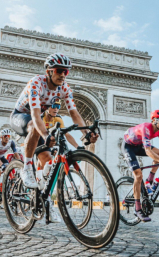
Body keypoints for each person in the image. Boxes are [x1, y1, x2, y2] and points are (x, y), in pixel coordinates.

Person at [9, 53, 98, 223]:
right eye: (59, 71)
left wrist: (86, 134)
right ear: (49, 71)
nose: (63, 74)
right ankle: (26, 167)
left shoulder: (64, 88)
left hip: (37, 122)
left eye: (66, 72)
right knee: (35, 126)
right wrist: (45, 135)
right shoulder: (37, 83)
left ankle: (45, 198)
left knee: (49, 161)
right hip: (21, 116)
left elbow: (74, 113)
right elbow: (35, 115)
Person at [0, 129, 21, 201]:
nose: (7, 138)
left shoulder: (11, 142)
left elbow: (16, 154)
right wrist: (2, 166)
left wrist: (20, 164)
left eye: (8, 136)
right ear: (1, 137)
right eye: (5, 136)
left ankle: (8, 188)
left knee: (9, 170)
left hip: (1, 157)